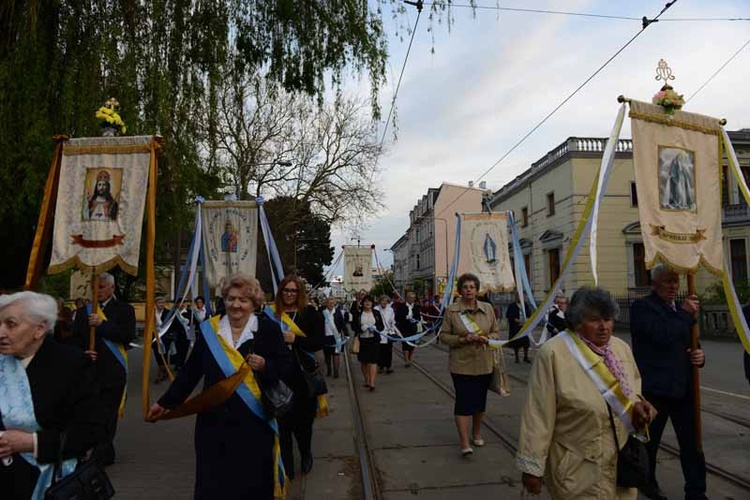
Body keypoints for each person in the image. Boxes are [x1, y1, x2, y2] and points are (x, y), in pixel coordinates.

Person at [146, 275, 290, 499]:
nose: (236, 305)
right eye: (231, 298)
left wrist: (265, 366)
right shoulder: (209, 330)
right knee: (213, 484)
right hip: (214, 424)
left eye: (243, 300)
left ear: (254, 303)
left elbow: (284, 368)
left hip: (254, 423)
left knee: (252, 484)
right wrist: (165, 403)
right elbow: (190, 372)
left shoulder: (268, 329)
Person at [518, 286, 657, 499]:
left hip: (620, 465)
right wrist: (532, 468)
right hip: (577, 467)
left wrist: (639, 405)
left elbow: (633, 387)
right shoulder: (553, 353)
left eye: (608, 319)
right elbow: (538, 415)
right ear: (577, 321)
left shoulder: (620, 348)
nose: (604, 327)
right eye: (595, 320)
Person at [0, 292, 103, 499]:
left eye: (10, 324)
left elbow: (92, 431)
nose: (0, 332)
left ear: (39, 329)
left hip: (51, 484)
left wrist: (32, 442)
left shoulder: (72, 365)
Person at [630, 265, 706, 500]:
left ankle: (696, 492)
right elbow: (660, 336)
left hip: (684, 389)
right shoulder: (642, 308)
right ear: (654, 284)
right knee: (649, 446)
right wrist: (684, 314)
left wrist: (699, 356)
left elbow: (690, 342)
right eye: (667, 281)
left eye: (676, 281)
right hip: (655, 391)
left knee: (693, 445)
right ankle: (648, 487)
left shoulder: (683, 310)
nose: (673, 286)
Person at [70, 272, 134, 466]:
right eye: (94, 288)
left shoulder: (124, 309)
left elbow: (127, 335)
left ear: (112, 288)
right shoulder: (83, 313)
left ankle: (101, 453)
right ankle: (102, 449)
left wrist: (102, 325)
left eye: (101, 287)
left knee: (108, 415)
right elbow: (74, 341)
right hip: (90, 371)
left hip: (113, 371)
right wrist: (83, 353)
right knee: (90, 413)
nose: (97, 292)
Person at [440, 273, 501, 456]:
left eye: (472, 287)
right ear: (460, 289)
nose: (469, 290)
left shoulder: (488, 308)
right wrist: (462, 339)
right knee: (464, 403)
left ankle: (476, 432)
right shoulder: (452, 311)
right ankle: (465, 442)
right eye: (465, 287)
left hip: (484, 363)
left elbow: (497, 332)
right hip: (461, 364)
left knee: (479, 403)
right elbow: (443, 336)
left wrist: (486, 338)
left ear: (477, 289)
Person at [272, 274, 325, 479]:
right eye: (286, 290)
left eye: (293, 291)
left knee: (303, 425)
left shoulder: (310, 314)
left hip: (303, 377)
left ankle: (306, 453)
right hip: (278, 376)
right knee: (283, 424)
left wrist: (295, 339)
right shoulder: (271, 314)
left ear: (299, 293)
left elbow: (317, 343)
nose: (289, 294)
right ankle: (287, 467)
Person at [352, 295, 384, 391]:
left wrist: (375, 328)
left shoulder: (376, 313)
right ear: (363, 303)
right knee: (364, 361)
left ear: (372, 303)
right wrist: (361, 328)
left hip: (374, 340)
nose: (367, 303)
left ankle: (372, 382)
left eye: (369, 301)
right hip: (362, 340)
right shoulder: (358, 314)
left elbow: (381, 326)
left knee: (373, 361)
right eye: (365, 301)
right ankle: (366, 378)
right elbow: (353, 326)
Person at [152, 297, 182, 383]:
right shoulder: (152, 313)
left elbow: (176, 324)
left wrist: (171, 334)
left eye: (162, 302)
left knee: (164, 354)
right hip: (155, 338)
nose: (161, 304)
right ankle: (163, 369)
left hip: (166, 338)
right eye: (159, 302)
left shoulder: (169, 313)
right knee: (157, 354)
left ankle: (161, 372)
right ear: (156, 304)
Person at [394, 291, 421, 367]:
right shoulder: (401, 306)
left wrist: (415, 320)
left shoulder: (416, 307)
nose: (411, 299)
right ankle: (406, 359)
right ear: (406, 298)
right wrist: (405, 317)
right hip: (404, 328)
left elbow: (418, 316)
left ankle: (410, 358)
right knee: (405, 344)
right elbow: (397, 317)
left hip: (413, 328)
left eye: (413, 298)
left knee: (412, 344)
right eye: (410, 298)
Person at [321, 297, 345, 378]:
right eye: (329, 303)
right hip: (326, 336)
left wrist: (346, 334)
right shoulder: (323, 312)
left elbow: (342, 323)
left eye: (332, 303)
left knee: (336, 354)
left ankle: (336, 372)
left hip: (336, 336)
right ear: (326, 303)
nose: (331, 304)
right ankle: (329, 370)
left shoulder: (337, 312)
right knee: (327, 355)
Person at [506, 293, 531, 363]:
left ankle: (526, 356)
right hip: (515, 327)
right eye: (517, 296)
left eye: (520, 296)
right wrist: (516, 320)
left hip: (524, 327)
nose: (519, 298)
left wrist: (527, 320)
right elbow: (509, 315)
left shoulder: (525, 305)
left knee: (526, 342)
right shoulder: (512, 306)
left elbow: (529, 313)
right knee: (516, 343)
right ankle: (517, 357)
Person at [375, 295, 396, 374]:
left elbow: (392, 321)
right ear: (380, 301)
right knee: (380, 350)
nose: (384, 302)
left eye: (386, 301)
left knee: (388, 350)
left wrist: (393, 330)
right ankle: (380, 366)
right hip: (379, 332)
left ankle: (388, 366)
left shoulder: (390, 310)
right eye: (382, 301)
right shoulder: (376, 309)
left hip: (388, 332)